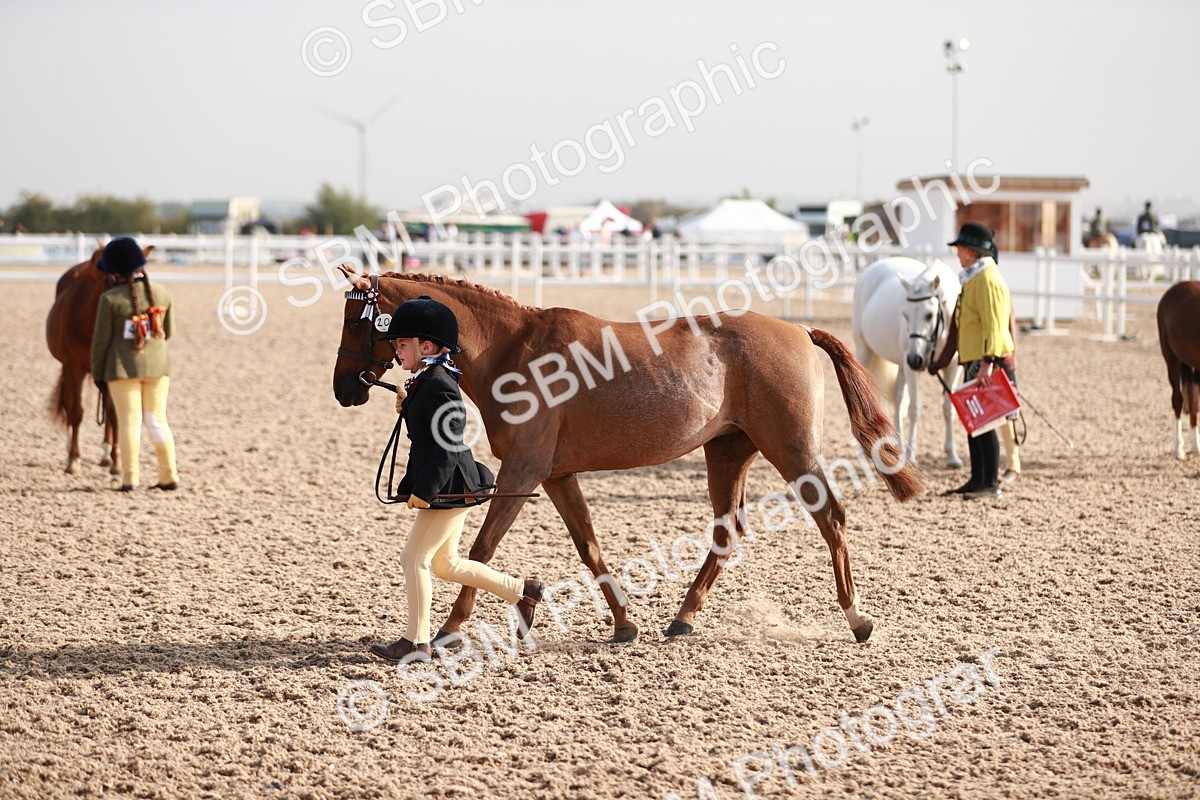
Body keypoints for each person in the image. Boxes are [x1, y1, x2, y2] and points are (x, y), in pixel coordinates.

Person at [369, 295, 543, 663]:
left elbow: (447, 447)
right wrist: (407, 404)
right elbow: (430, 432)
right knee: (445, 565)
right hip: (448, 485)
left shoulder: (440, 385)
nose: (396, 352)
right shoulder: (428, 380)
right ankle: (521, 591)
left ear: (426, 346)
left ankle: (416, 642)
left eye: (402, 345)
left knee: (413, 558)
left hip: (448, 485)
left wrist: (424, 491)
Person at [91, 237, 178, 492]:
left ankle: (130, 479)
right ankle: (168, 475)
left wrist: (98, 374)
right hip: (159, 368)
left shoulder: (110, 299)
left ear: (114, 272)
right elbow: (168, 332)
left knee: (129, 422)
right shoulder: (162, 293)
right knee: (157, 420)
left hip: (122, 370)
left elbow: (100, 344)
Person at [941, 223, 1015, 499]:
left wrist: (987, 362)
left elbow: (995, 325)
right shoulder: (974, 277)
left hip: (986, 360)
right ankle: (977, 479)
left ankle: (989, 483)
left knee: (986, 423)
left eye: (960, 248)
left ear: (971, 252)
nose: (957, 253)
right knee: (975, 421)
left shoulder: (987, 280)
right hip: (974, 359)